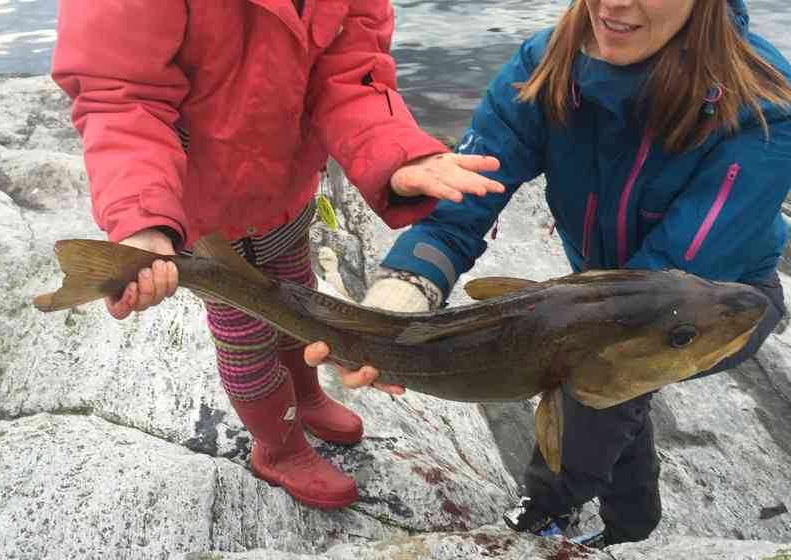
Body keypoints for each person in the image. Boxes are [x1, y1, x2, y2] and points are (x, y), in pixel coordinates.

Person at [304, 0, 791, 547]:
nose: (615, 3)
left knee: (596, 394)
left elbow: (670, 281)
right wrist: (401, 296)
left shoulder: (764, 104)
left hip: (720, 301)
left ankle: (548, 509)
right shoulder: (546, 62)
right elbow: (459, 210)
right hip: (602, 297)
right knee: (614, 393)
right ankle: (636, 522)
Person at [49, 0, 506, 510]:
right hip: (204, 218)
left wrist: (400, 150)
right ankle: (279, 447)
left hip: (285, 199)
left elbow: (351, 74)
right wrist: (142, 221)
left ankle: (306, 398)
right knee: (245, 340)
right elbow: (120, 97)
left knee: (301, 301)